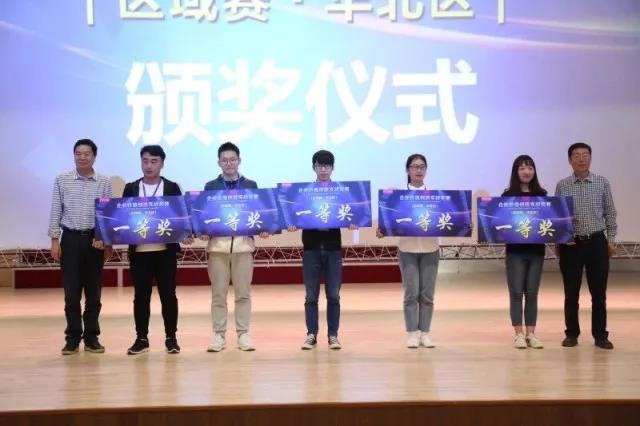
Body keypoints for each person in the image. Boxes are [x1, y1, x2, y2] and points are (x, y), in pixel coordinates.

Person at [123, 145, 190, 355]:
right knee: (141, 296)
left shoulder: (171, 187)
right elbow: (123, 216)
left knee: (168, 295)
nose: (149, 165)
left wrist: (186, 232)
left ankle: (171, 338)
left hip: (165, 252)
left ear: (162, 163)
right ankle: (141, 338)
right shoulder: (131, 188)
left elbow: (180, 216)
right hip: (140, 252)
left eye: (154, 161)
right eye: (145, 161)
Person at [48, 139, 112, 355]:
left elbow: (106, 215)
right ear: (74, 155)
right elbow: (55, 210)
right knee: (71, 293)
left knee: (94, 293)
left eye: (86, 153)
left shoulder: (104, 182)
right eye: (78, 153)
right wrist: (54, 240)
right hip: (70, 239)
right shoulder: (62, 180)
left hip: (95, 241)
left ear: (94, 156)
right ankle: (72, 338)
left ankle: (92, 337)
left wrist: (107, 242)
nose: (82, 157)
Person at [204, 142, 266, 352]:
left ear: (239, 161)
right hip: (217, 248)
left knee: (243, 294)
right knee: (218, 295)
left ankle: (243, 334)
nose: (229, 163)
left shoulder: (251, 185)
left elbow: (259, 214)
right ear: (219, 163)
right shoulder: (211, 187)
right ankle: (219, 335)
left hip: (243, 247)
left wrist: (263, 228)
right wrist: (203, 230)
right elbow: (204, 215)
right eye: (225, 160)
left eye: (232, 159)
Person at [292, 150, 357, 351]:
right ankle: (311, 335)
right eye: (320, 165)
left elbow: (352, 212)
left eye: (327, 166)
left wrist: (353, 221)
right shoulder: (304, 192)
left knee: (334, 296)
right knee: (311, 296)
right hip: (311, 248)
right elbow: (295, 213)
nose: (323, 169)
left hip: (333, 248)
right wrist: (292, 222)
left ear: (332, 168)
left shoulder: (341, 192)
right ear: (314, 167)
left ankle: (333, 336)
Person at [555, 142, 617, 350]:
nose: (581, 159)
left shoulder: (602, 182)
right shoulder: (563, 185)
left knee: (598, 293)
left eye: (585, 155)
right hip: (571, 244)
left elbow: (610, 212)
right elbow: (558, 216)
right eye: (576, 155)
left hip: (597, 242)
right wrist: (558, 241)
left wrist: (611, 239)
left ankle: (600, 335)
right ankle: (571, 334)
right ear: (569, 160)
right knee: (571, 293)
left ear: (590, 158)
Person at [376, 154, 439, 349]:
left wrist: (463, 225)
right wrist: (383, 229)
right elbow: (389, 221)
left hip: (430, 249)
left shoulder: (436, 196)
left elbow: (447, 220)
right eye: (414, 167)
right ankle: (412, 333)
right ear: (408, 170)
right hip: (407, 249)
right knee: (411, 293)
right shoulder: (397, 197)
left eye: (422, 167)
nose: (418, 170)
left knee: (427, 295)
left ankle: (425, 333)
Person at [502, 155, 547, 349]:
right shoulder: (507, 196)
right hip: (515, 252)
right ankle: (518, 334)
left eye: (530, 168)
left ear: (534, 171)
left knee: (532, 293)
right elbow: (499, 222)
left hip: (536, 251)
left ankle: (531, 334)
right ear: (516, 172)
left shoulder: (542, 195)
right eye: (522, 168)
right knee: (516, 293)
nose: (526, 172)